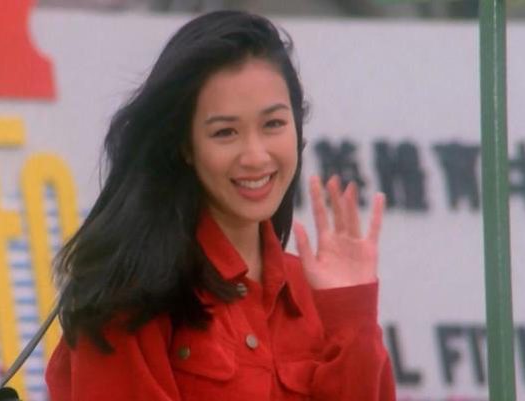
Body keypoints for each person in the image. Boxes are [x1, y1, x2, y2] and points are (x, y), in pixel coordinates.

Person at [46, 10, 395, 401]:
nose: (255, 156)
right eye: (225, 132)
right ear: (185, 146)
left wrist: (350, 314)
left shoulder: (318, 294)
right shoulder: (131, 294)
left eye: (273, 124)